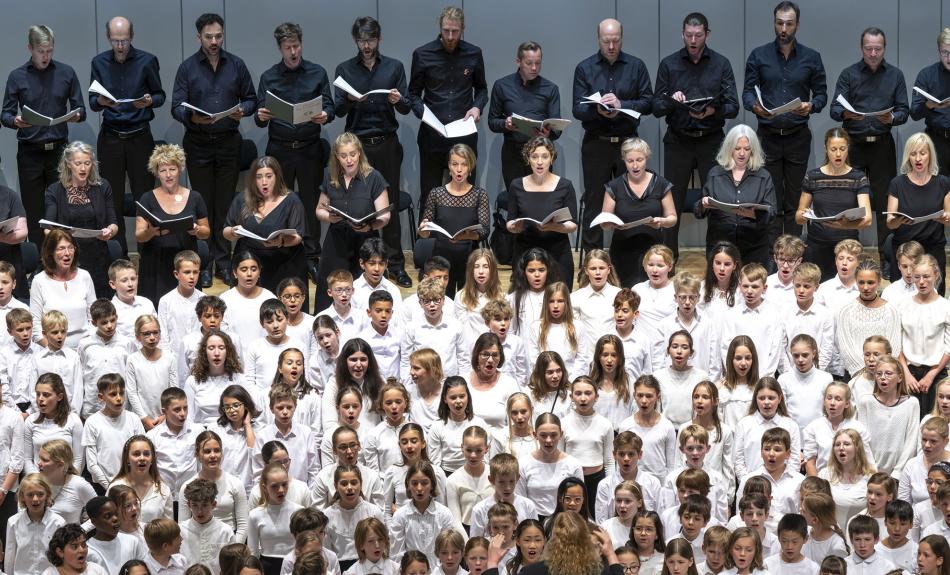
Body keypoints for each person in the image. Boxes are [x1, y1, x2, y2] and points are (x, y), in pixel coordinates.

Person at [172, 12, 256, 286]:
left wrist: (243, 109)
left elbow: (252, 99)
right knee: (203, 207)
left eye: (218, 36)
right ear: (199, 37)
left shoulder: (237, 65)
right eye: (209, 37)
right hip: (198, 145)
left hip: (228, 143)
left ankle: (223, 262)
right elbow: (177, 105)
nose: (214, 41)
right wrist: (190, 117)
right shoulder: (187, 68)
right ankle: (204, 265)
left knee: (224, 206)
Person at [335, 16, 413, 288]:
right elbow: (337, 110)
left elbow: (406, 107)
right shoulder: (345, 69)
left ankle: (395, 264)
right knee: (358, 204)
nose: (366, 45)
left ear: (379, 39)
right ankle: (358, 265)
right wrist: (348, 99)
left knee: (386, 205)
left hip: (386, 142)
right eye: (361, 40)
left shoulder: (394, 67)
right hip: (356, 147)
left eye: (370, 40)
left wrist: (398, 99)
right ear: (355, 40)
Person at [654, 12, 739, 258]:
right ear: (682, 34)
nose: (693, 40)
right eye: (689, 35)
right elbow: (656, 107)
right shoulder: (669, 64)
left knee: (716, 198)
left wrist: (713, 110)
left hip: (711, 138)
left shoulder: (721, 64)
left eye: (698, 35)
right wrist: (671, 100)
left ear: (707, 35)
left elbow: (733, 106)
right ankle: (669, 257)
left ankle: (717, 256)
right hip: (678, 139)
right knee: (672, 198)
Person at [743, 1, 828, 245]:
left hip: (797, 135)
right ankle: (772, 253)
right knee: (770, 197)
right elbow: (747, 92)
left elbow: (821, 94)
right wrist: (755, 106)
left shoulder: (812, 57)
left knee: (794, 198)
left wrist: (811, 106)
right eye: (779, 23)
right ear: (774, 23)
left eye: (789, 24)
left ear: (797, 25)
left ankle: (791, 249)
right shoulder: (759, 55)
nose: (783, 28)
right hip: (767, 135)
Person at [255, 22, 333, 288]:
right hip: (280, 149)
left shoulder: (317, 72)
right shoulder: (269, 77)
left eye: (296, 46)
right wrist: (261, 114)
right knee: (280, 203)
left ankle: (312, 255)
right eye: (288, 47)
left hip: (310, 148)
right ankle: (282, 248)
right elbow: (259, 116)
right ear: (280, 48)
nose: (293, 52)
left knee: (311, 204)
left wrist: (326, 115)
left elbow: (330, 106)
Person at [830, 26, 910, 271]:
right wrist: (846, 113)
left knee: (886, 204)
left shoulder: (895, 75)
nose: (873, 53)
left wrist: (893, 118)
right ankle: (848, 260)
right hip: (853, 145)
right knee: (850, 200)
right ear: (861, 48)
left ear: (884, 48)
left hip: (882, 145)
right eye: (868, 48)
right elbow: (834, 110)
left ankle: (886, 262)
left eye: (878, 48)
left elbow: (904, 111)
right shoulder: (848, 74)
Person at [571, 18, 654, 252]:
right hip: (596, 143)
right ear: (598, 39)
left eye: (615, 41)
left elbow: (649, 103)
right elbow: (577, 109)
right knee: (594, 201)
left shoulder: (636, 66)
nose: (610, 46)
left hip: (627, 145)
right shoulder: (584, 67)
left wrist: (622, 104)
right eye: (606, 41)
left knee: (630, 201)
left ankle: (628, 256)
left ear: (622, 39)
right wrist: (597, 110)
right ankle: (592, 260)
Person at [1, 25, 86, 246]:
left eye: (49, 51)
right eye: (41, 51)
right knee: (34, 209)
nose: (45, 56)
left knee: (62, 206)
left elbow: (81, 108)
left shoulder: (66, 73)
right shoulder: (17, 76)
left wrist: (75, 116)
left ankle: (63, 255)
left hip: (59, 151)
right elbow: (5, 114)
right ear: (30, 48)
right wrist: (15, 121)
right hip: (30, 152)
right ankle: (40, 261)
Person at [90, 16, 165, 257]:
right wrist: (100, 101)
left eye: (123, 40)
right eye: (115, 41)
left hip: (139, 137)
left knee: (144, 196)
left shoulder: (147, 61)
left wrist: (149, 101)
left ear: (131, 37)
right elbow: (92, 101)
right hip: (111, 136)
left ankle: (147, 250)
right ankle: (118, 254)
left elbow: (160, 95)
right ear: (108, 38)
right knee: (111, 198)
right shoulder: (99, 62)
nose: (120, 46)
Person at [408, 6, 487, 208]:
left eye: (455, 31)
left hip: (464, 134)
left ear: (463, 29)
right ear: (440, 27)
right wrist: (424, 115)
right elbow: (413, 95)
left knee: (466, 193)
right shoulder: (422, 54)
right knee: (429, 194)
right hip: (432, 135)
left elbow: (482, 89)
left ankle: (467, 239)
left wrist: (477, 107)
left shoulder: (474, 53)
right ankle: (427, 239)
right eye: (446, 31)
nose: (450, 36)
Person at [314, 133, 392, 312]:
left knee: (363, 285)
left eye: (352, 154)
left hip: (366, 239)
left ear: (359, 154)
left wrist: (371, 225)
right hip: (337, 238)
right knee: (333, 280)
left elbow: (385, 215)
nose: (349, 160)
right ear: (337, 157)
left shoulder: (374, 177)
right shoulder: (330, 176)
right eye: (343, 156)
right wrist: (329, 217)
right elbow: (319, 210)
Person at [223, 157, 307, 304]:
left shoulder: (291, 200)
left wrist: (280, 241)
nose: (264, 182)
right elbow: (226, 231)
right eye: (259, 177)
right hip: (251, 262)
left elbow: (298, 235)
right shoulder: (243, 198)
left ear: (277, 177)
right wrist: (233, 232)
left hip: (282, 261)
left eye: (269, 176)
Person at [135, 143, 210, 306]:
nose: (168, 175)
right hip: (155, 262)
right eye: (163, 170)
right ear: (156, 173)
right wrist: (151, 232)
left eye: (172, 169)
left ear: (180, 170)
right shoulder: (147, 198)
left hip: (185, 263)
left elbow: (206, 232)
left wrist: (197, 231)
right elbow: (139, 236)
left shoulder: (195, 197)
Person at [595, 138, 675, 286]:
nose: (635, 165)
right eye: (630, 161)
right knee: (626, 291)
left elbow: (672, 218)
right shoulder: (614, 186)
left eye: (639, 160)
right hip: (623, 248)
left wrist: (662, 221)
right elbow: (604, 223)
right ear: (624, 160)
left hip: (653, 249)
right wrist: (610, 223)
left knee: (652, 290)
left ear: (647, 158)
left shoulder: (661, 184)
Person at [44, 141, 120, 297]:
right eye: (78, 163)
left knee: (99, 302)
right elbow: (47, 228)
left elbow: (114, 222)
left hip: (98, 255)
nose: (83, 168)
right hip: (68, 256)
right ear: (68, 164)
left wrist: (109, 231)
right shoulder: (55, 190)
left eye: (87, 163)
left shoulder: (102, 186)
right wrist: (61, 239)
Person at [795, 128, 872, 280]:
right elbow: (798, 216)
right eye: (833, 149)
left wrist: (843, 225)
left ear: (848, 149)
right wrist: (805, 215)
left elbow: (867, 219)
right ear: (826, 149)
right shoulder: (813, 176)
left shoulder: (858, 177)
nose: (838, 154)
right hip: (817, 244)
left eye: (842, 149)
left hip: (847, 248)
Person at [694, 124, 775, 266]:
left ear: (753, 150)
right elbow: (698, 212)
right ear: (729, 149)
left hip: (754, 246)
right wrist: (703, 204)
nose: (742, 153)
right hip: (720, 246)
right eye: (737, 148)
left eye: (747, 149)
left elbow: (772, 212)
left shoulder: (763, 176)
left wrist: (753, 214)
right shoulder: (715, 173)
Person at [489, 41, 562, 194]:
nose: (534, 68)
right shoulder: (502, 86)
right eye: (529, 63)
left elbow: (557, 127)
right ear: (518, 61)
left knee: (542, 197)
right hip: (512, 152)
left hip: (540, 152)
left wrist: (549, 133)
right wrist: (505, 123)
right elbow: (492, 121)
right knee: (516, 198)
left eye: (538, 63)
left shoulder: (550, 89)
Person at [505, 137, 579, 289]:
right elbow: (510, 220)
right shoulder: (517, 185)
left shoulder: (565, 185)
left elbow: (573, 224)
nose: (539, 162)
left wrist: (553, 227)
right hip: (525, 250)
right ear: (528, 159)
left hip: (557, 250)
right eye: (534, 157)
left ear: (551, 159)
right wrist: (514, 227)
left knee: (558, 300)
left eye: (544, 156)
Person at [418, 143, 490, 297]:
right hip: (442, 258)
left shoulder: (479, 194)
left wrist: (467, 235)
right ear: (449, 166)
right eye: (455, 164)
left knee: (467, 301)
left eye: (464, 164)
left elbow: (484, 230)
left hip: (469, 256)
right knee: (443, 299)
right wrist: (423, 231)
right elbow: (426, 230)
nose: (459, 169)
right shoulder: (436, 194)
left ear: (470, 167)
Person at [885, 132, 950, 283]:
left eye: (922, 153)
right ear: (908, 156)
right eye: (913, 154)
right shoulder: (897, 183)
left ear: (930, 155)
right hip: (905, 248)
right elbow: (890, 222)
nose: (918, 158)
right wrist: (899, 220)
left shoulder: (943, 183)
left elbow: (948, 219)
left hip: (933, 248)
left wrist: (944, 218)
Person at [485, 510, 622, 575]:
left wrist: (492, 563)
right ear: (585, 541)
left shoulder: (532, 572)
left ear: (552, 540)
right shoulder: (600, 571)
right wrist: (611, 554)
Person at [29, 230, 96, 349]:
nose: (67, 253)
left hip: (85, 348)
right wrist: (54, 350)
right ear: (50, 252)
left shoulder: (84, 276)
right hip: (53, 351)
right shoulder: (39, 281)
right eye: (61, 248)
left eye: (71, 248)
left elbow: (94, 318)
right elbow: (35, 327)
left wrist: (88, 346)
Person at [911, 27, 950, 175]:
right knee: (936, 192)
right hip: (935, 141)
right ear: (938, 50)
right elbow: (914, 113)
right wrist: (928, 105)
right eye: (945, 52)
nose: (949, 58)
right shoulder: (927, 75)